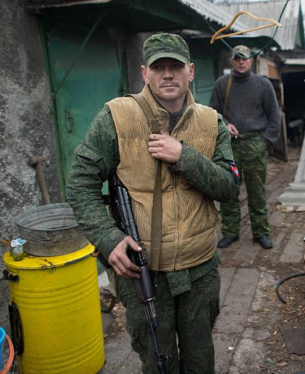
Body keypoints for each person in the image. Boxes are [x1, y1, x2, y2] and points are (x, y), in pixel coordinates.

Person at [66, 33, 239, 374]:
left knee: (201, 361)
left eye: (175, 66)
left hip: (199, 268)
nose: (168, 74)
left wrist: (184, 156)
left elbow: (229, 186)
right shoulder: (116, 116)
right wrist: (108, 237)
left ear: (191, 71)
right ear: (145, 73)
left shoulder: (210, 121)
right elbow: (80, 184)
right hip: (143, 272)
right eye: (159, 67)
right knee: (158, 363)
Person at [209, 45, 281, 249]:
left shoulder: (263, 84)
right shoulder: (222, 84)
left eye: (245, 59)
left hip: (255, 144)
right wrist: (223, 124)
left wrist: (265, 141)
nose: (241, 62)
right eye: (237, 58)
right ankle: (230, 232)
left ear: (251, 61)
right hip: (229, 146)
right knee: (229, 191)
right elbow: (211, 112)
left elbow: (275, 116)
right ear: (231, 61)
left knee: (256, 191)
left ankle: (260, 232)